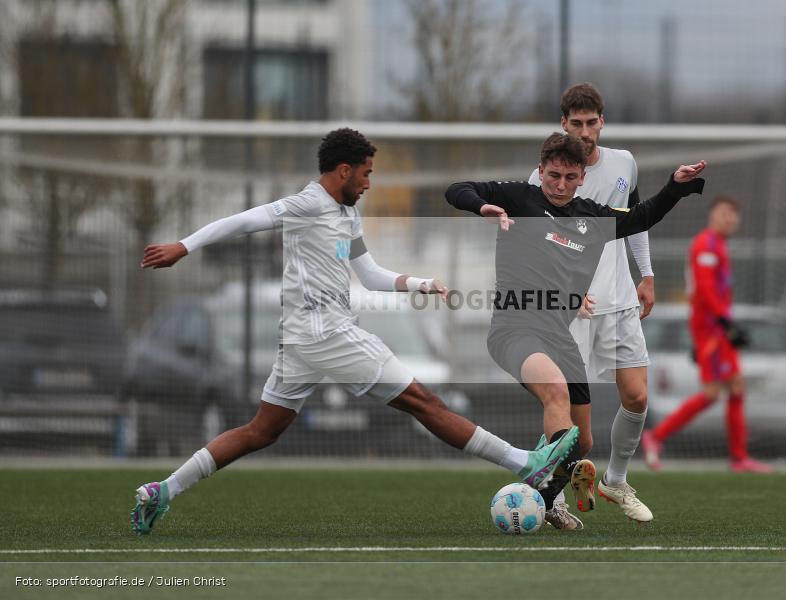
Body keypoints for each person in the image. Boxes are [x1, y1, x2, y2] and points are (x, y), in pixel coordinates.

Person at [129, 128, 581, 535]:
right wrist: (183, 246)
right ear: (343, 170)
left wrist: (419, 284)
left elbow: (369, 274)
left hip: (302, 342)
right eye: (365, 174)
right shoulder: (308, 204)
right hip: (328, 334)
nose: (369, 182)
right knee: (424, 402)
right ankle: (527, 464)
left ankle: (161, 492)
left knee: (260, 431)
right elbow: (244, 220)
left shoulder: (347, 216)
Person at [446, 132, 706, 529]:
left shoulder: (593, 218)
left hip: (559, 336)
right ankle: (546, 492)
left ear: (582, 177)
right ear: (540, 171)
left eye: (570, 177)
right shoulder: (518, 197)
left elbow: (642, 216)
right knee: (555, 392)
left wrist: (675, 188)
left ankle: (546, 493)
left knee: (581, 444)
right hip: (514, 329)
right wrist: (482, 206)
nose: (561, 185)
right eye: (553, 176)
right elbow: (456, 188)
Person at [527, 83, 658, 527]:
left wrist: (647, 275)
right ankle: (550, 497)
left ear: (602, 121)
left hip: (620, 304)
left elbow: (634, 220)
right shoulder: (542, 178)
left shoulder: (624, 163)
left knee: (638, 397)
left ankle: (615, 481)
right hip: (573, 314)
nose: (585, 131)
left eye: (591, 122)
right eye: (576, 123)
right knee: (577, 436)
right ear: (563, 124)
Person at [641, 195, 773, 473]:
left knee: (733, 388)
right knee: (717, 392)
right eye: (724, 213)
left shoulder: (719, 245)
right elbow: (705, 289)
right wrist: (725, 324)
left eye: (733, 215)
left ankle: (738, 458)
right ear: (712, 215)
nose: (730, 219)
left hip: (715, 329)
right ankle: (657, 436)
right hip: (712, 329)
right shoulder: (706, 244)